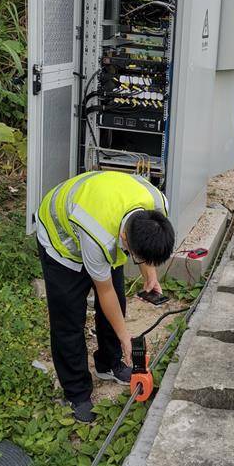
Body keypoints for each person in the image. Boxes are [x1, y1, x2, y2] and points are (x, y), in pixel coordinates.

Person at [36, 169, 175, 422]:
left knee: (116, 305)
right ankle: (76, 393)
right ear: (124, 238)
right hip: (62, 241)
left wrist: (150, 274)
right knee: (69, 319)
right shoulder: (98, 233)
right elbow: (105, 290)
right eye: (138, 256)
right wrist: (126, 338)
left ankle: (108, 363)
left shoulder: (156, 205)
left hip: (103, 214)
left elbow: (144, 245)